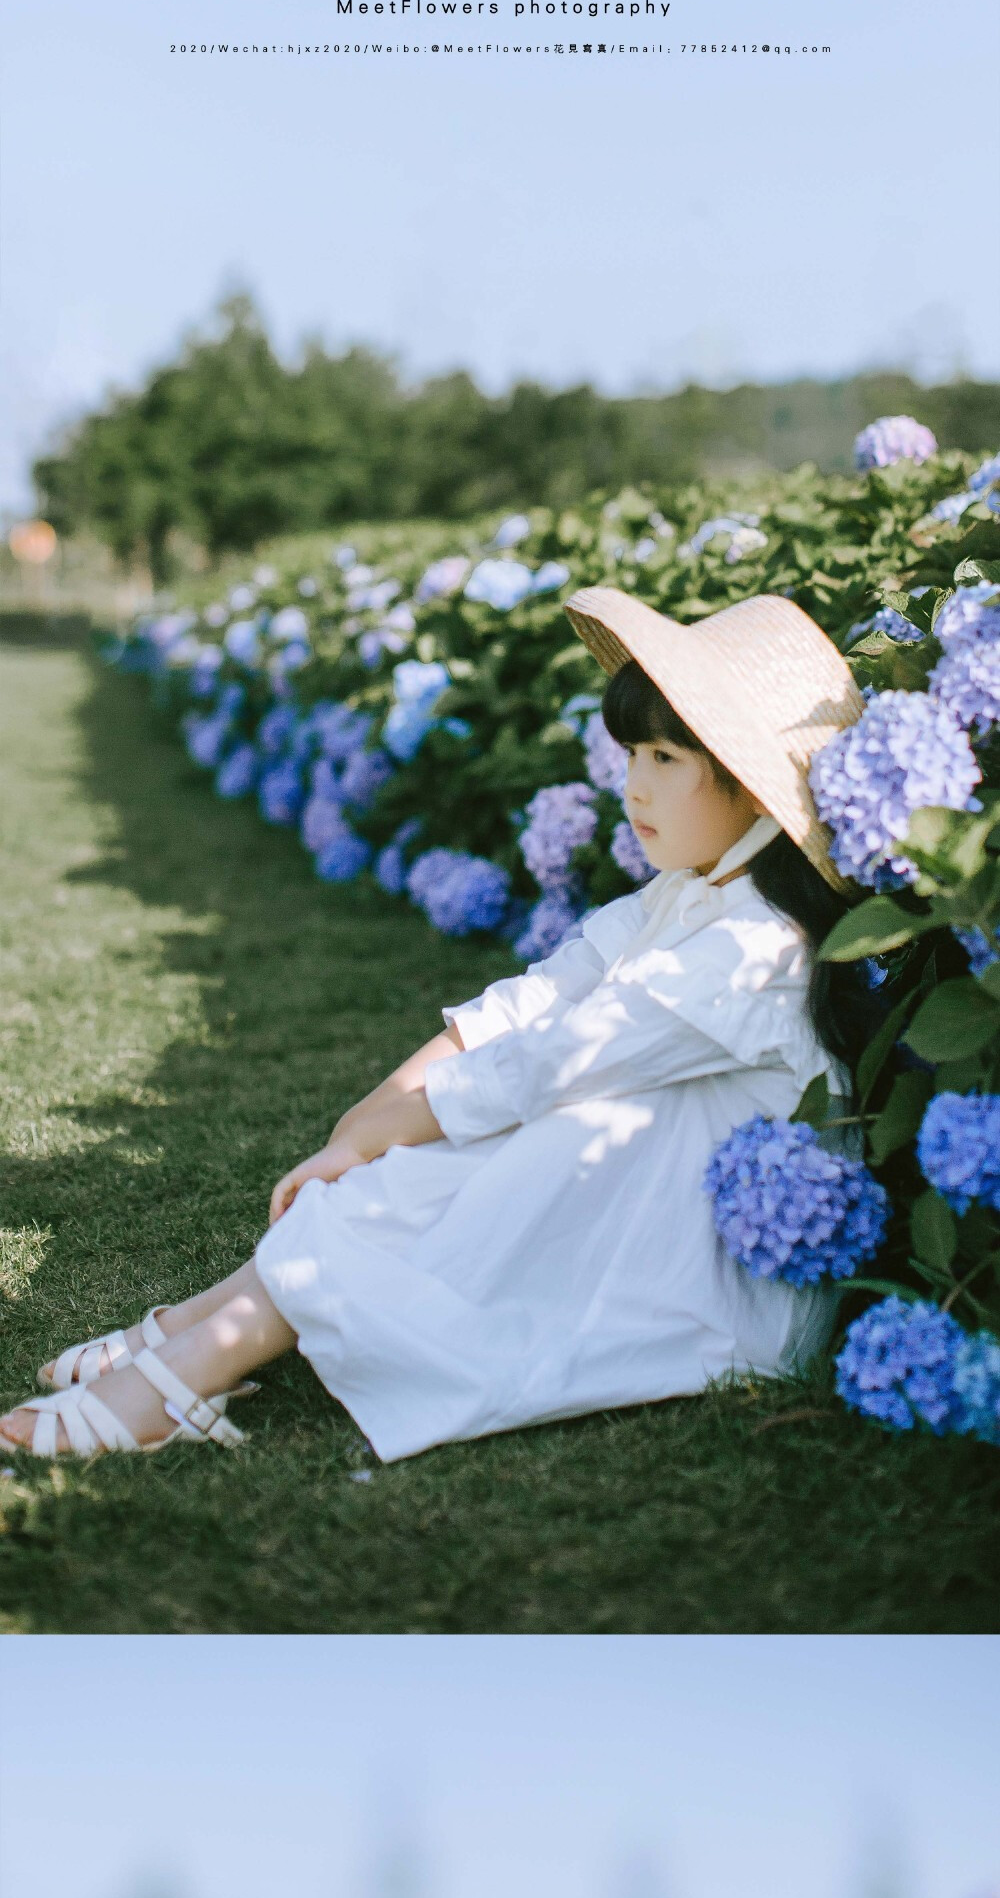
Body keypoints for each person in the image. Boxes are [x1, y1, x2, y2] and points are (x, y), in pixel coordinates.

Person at [2, 583, 866, 1468]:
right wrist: (361, 1125)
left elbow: (552, 1062)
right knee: (444, 1138)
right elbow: (533, 999)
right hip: (632, 1192)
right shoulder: (695, 891)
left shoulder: (758, 945)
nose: (632, 785)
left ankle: (189, 1365)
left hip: (707, 1273)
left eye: (664, 758)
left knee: (478, 1144)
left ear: (753, 788)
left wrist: (381, 1133)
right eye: (631, 753)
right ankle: (196, 1335)